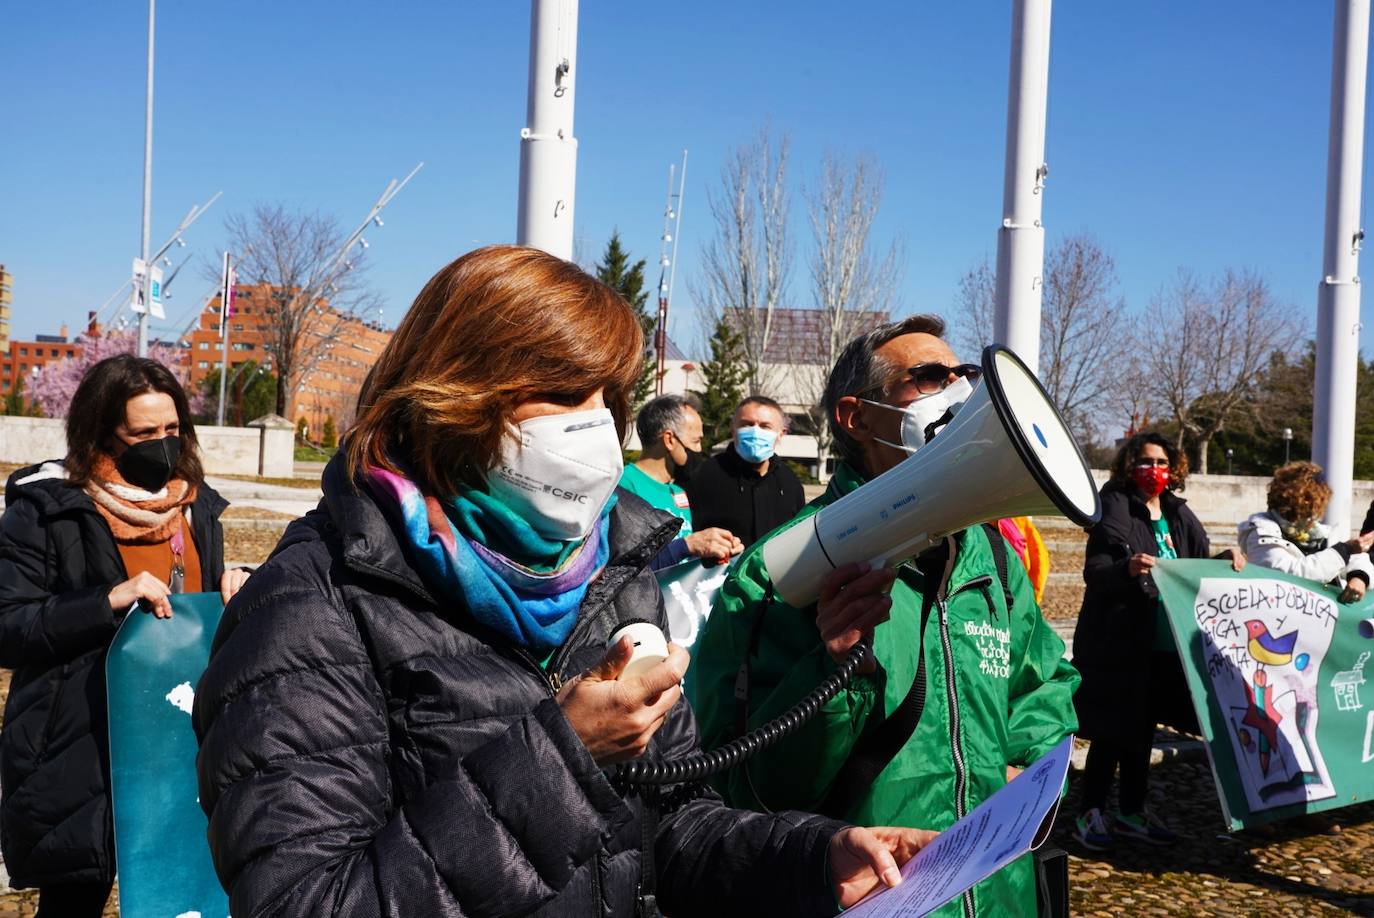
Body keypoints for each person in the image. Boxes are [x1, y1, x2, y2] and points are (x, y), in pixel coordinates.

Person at [191, 246, 935, 917]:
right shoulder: (312, 605)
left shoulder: (607, 573)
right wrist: (565, 754)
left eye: (605, 399)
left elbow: (674, 828)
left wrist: (810, 860)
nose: (593, 429)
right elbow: (305, 903)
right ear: (454, 396)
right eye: (559, 393)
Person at [689, 315, 1079, 917]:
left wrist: (1022, 768)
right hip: (872, 895)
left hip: (1000, 893)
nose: (955, 392)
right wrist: (832, 670)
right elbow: (742, 785)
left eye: (963, 375)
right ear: (857, 417)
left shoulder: (992, 557)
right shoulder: (778, 574)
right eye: (927, 377)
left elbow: (1044, 683)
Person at [0, 354, 248, 917]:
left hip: (175, 732)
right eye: (142, 432)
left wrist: (236, 586)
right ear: (102, 431)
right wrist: (104, 601)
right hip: (80, 742)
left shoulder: (195, 504)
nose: (161, 443)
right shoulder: (50, 508)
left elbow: (197, 606)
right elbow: (9, 625)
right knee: (74, 901)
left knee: (182, 891)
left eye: (171, 429)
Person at [1071, 432, 1242, 853]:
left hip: (1166, 647)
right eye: (1146, 462)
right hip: (1121, 642)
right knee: (1112, 732)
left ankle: (1131, 811)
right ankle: (1088, 812)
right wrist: (1127, 569)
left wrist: (1225, 560)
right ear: (1130, 465)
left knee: (1141, 733)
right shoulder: (1114, 508)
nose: (1155, 470)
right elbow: (1096, 573)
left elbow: (1193, 567)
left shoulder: (1178, 513)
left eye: (1162, 462)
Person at [621, 394, 742, 569]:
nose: (699, 449)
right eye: (696, 441)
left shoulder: (678, 491)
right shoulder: (625, 485)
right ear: (669, 439)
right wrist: (688, 545)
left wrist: (716, 551)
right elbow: (622, 567)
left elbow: (681, 558)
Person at [1239, 461, 1373, 602]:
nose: (1311, 514)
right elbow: (1292, 575)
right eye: (1306, 506)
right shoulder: (1260, 531)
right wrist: (1344, 550)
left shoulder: (1319, 531)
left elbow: (1357, 559)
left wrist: (1359, 577)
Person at [684, 395, 805, 548]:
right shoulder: (704, 476)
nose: (755, 432)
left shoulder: (789, 483)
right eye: (747, 424)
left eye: (765, 426)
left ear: (781, 434)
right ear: (733, 429)